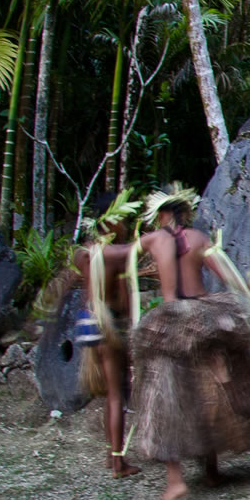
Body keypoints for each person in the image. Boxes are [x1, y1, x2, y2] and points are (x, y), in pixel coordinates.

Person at [107, 184, 250, 500]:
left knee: (168, 399)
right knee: (207, 390)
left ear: (162, 214)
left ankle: (175, 481)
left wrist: (96, 248)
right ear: (184, 212)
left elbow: (119, 255)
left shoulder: (153, 240)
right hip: (205, 317)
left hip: (170, 322)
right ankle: (211, 470)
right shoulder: (199, 239)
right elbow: (228, 277)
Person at [67, 191, 144, 479]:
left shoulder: (83, 253)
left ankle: (111, 452)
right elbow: (123, 300)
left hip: (87, 322)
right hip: (108, 323)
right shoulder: (115, 255)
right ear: (111, 221)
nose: (125, 225)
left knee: (109, 395)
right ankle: (118, 463)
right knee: (116, 395)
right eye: (122, 220)